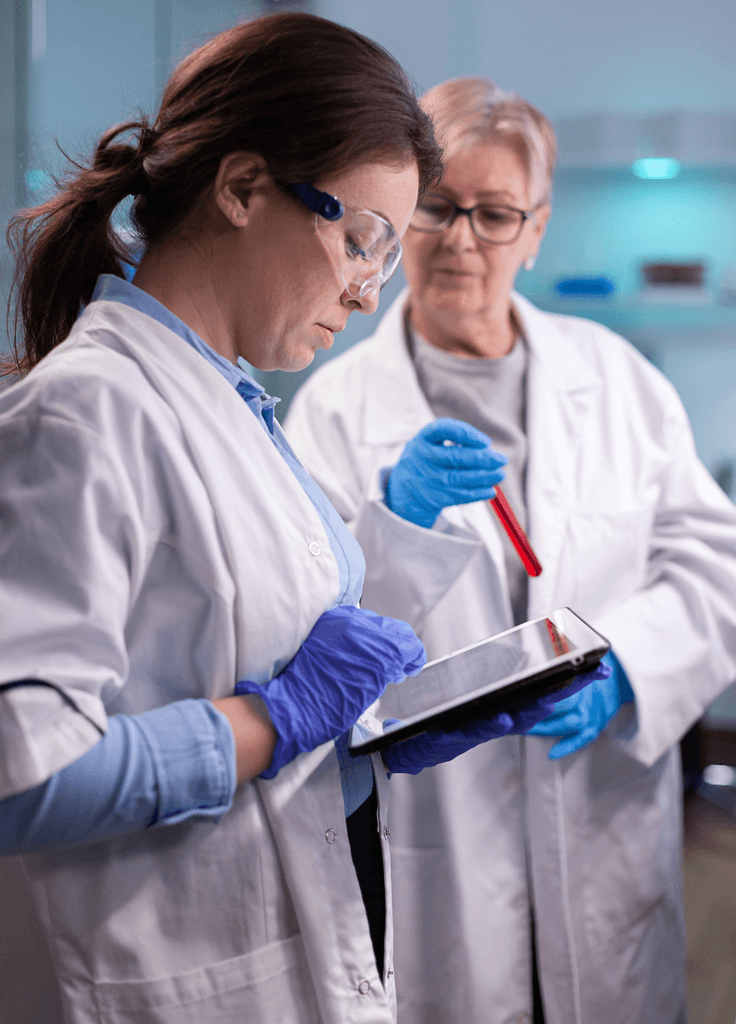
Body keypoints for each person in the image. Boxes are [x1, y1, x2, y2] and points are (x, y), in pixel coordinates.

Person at [0, 34, 589, 1024]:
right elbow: (25, 775)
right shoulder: (90, 410)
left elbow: (212, 663)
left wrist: (374, 731)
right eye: (362, 236)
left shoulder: (227, 401)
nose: (369, 290)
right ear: (241, 187)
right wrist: (274, 721)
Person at [285, 77, 736, 1024]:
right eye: (439, 207)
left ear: (535, 232)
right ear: (404, 216)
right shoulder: (334, 405)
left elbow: (710, 565)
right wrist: (393, 523)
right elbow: (301, 630)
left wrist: (627, 671)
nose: (461, 240)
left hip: (602, 799)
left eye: (495, 215)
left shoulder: (616, 380)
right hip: (438, 826)